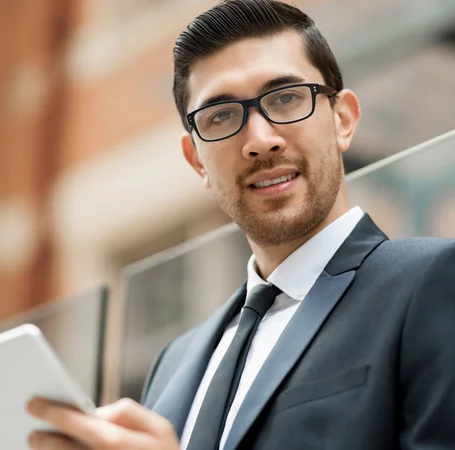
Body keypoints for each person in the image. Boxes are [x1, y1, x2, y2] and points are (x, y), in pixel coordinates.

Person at [25, 0, 455, 448]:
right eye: (221, 116)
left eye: (287, 98)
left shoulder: (434, 281)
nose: (260, 140)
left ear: (342, 120)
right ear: (198, 162)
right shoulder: (174, 363)